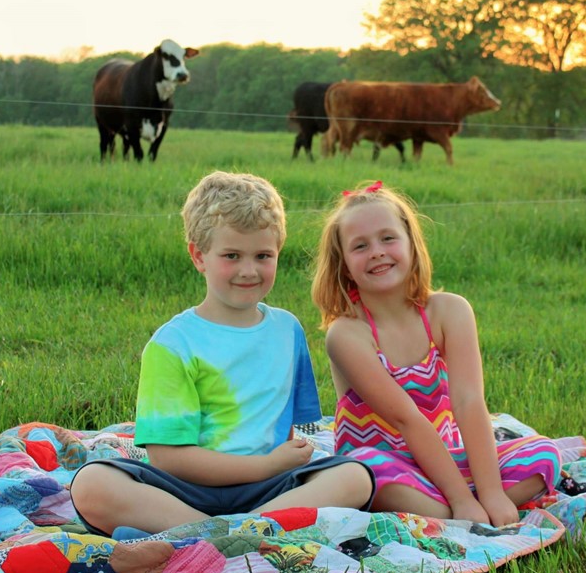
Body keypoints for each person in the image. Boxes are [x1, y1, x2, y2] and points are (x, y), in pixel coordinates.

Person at [71, 171, 375, 536]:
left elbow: (286, 428)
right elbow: (167, 458)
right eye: (231, 255)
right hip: (186, 492)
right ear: (198, 256)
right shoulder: (173, 344)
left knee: (356, 476)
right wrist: (265, 466)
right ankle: (232, 533)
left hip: (271, 491)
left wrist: (278, 467)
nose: (249, 270)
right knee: (92, 484)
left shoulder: (287, 330)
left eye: (263, 255)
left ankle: (231, 533)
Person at [311, 180, 561, 528]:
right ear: (343, 265)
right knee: (365, 470)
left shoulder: (450, 311)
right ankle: (452, 508)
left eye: (388, 238)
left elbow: (469, 401)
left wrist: (491, 493)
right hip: (387, 467)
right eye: (360, 246)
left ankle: (448, 510)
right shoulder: (347, 334)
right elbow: (405, 419)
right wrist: (461, 498)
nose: (377, 252)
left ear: (412, 243)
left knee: (544, 453)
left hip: (447, 459)